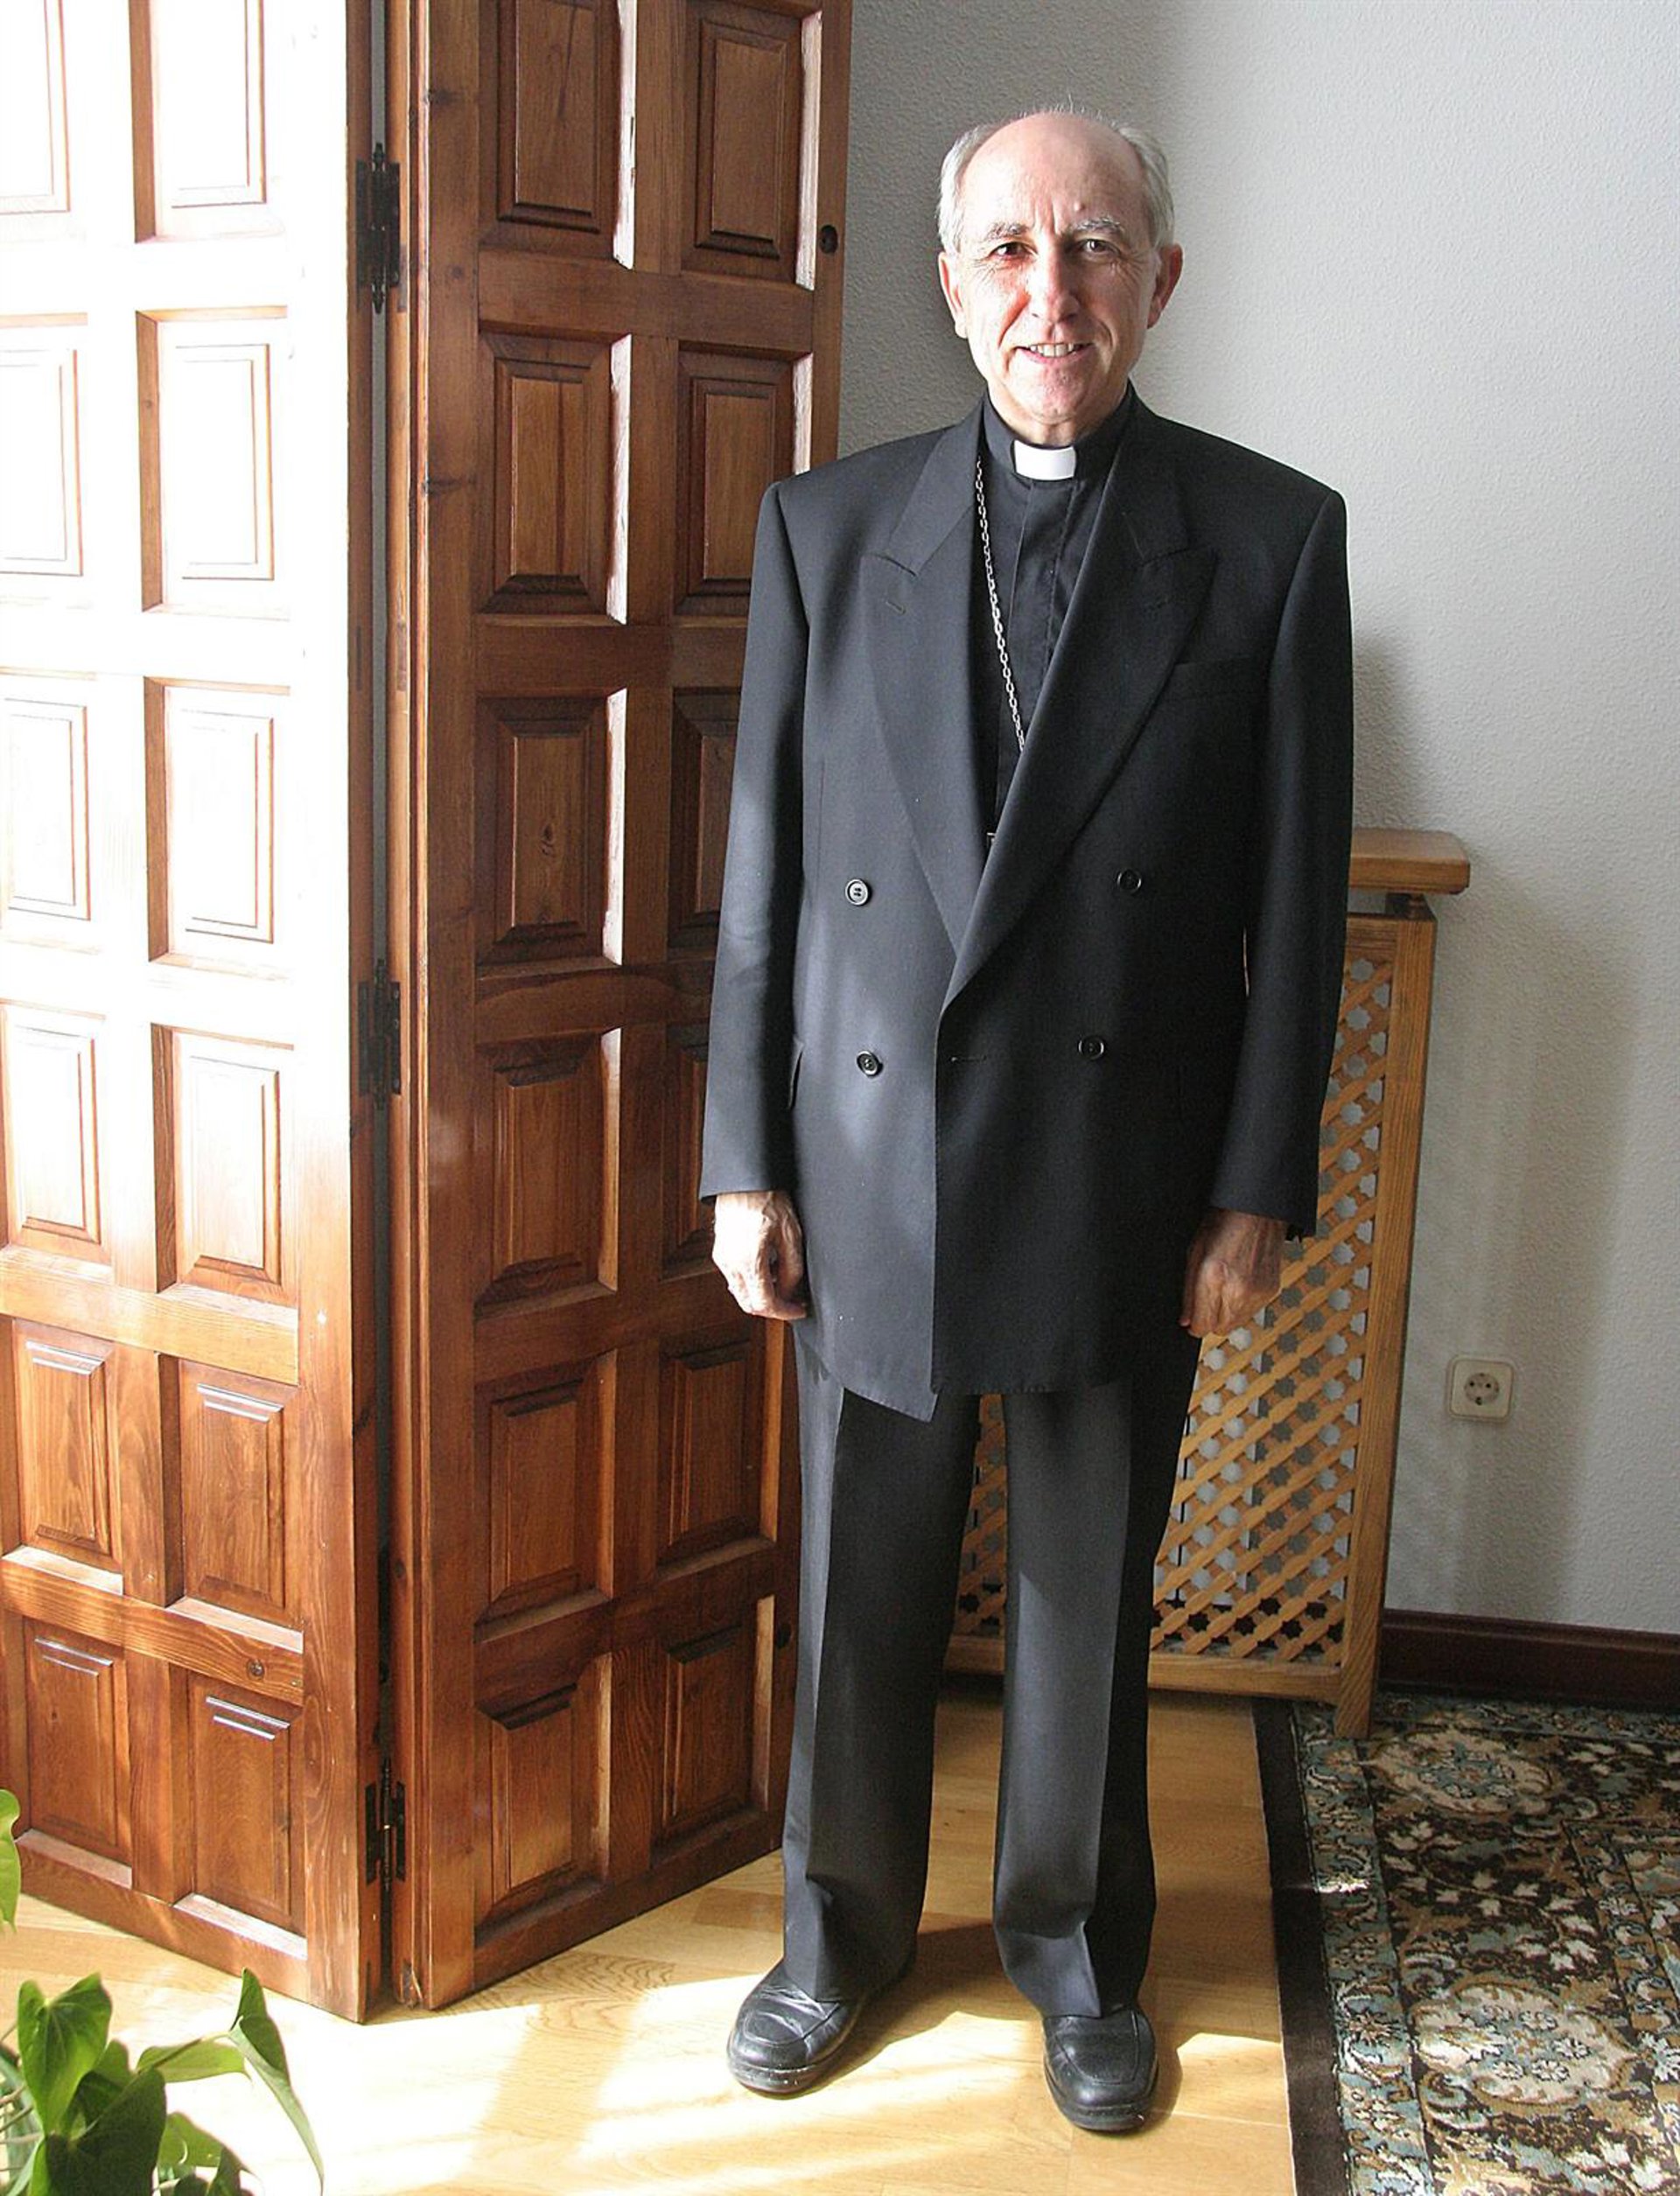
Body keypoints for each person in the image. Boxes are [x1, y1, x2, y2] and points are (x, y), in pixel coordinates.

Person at [700, 106, 1352, 2133]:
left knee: (1084, 1600)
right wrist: (742, 1157)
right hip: (872, 1160)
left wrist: (1256, 1186)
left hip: (1117, 1170)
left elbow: (1294, 909)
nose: (1047, 291)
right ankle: (838, 1937)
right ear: (950, 283)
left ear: (1163, 277)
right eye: (1006, 248)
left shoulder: (1272, 539)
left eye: (1093, 245)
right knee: (861, 1593)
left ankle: (1079, 1954)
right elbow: (766, 881)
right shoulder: (827, 531)